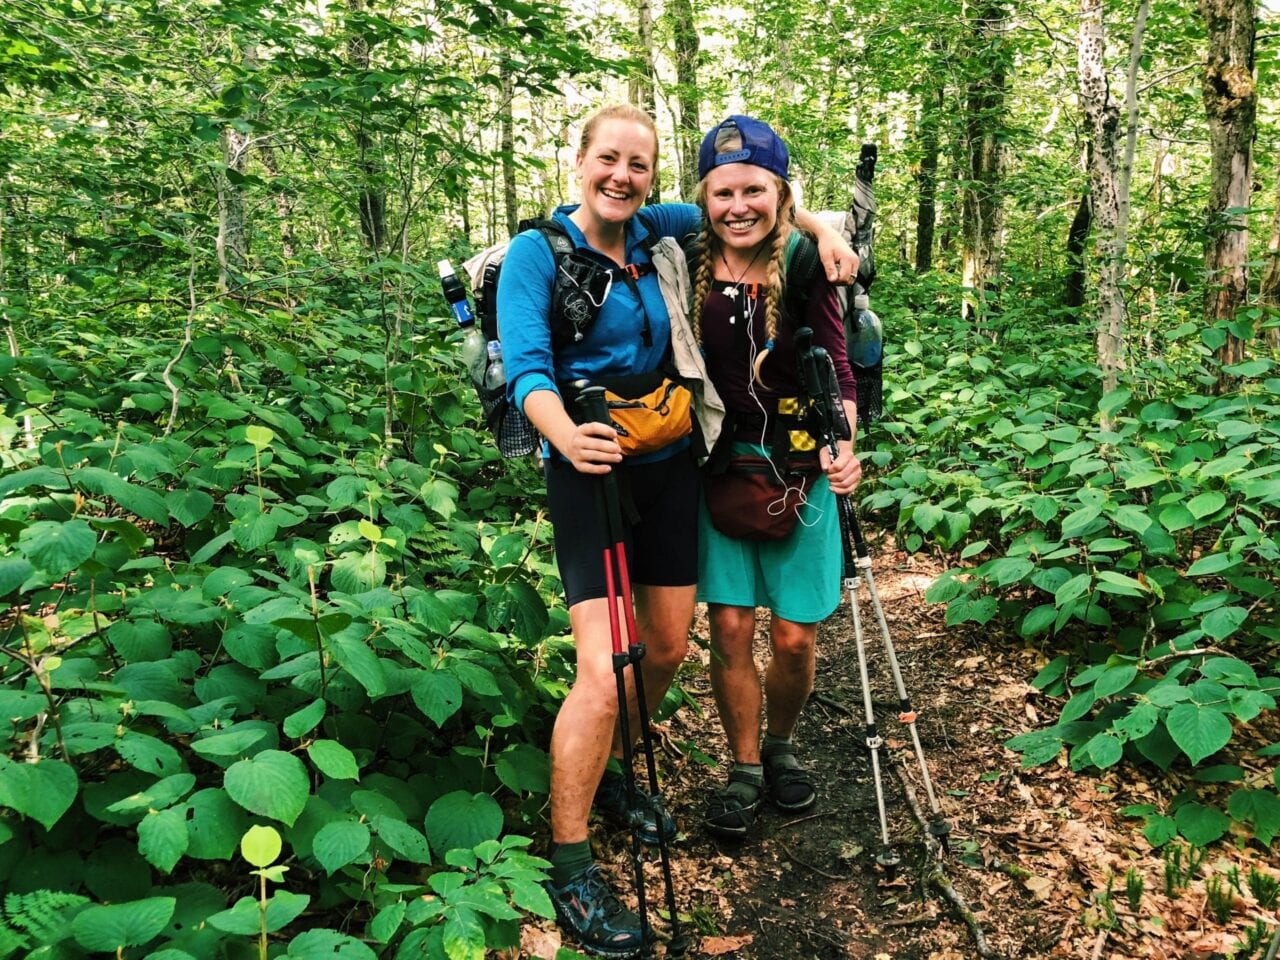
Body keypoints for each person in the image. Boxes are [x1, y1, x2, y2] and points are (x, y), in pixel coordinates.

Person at [498, 104, 857, 957]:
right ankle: (571, 865)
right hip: (588, 469)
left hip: (667, 472)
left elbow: (749, 204)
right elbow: (525, 366)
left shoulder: (658, 232)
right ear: (578, 161)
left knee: (664, 650)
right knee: (603, 664)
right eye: (608, 161)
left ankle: (616, 774)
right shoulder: (534, 253)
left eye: (638, 165)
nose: (622, 177)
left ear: (654, 178)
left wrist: (821, 226)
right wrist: (562, 431)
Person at [686, 115, 863, 840]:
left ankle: (783, 743)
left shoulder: (801, 262)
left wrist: (845, 444)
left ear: (779, 192)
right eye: (723, 192)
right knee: (729, 626)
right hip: (719, 469)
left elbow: (840, 367)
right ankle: (746, 765)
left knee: (792, 636)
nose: (738, 206)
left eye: (754, 189)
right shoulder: (679, 250)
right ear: (704, 198)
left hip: (797, 465)